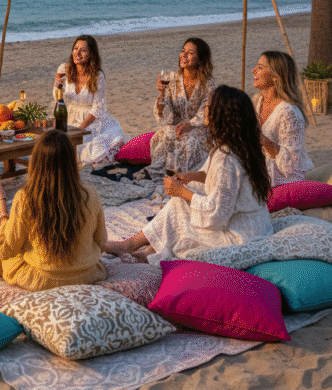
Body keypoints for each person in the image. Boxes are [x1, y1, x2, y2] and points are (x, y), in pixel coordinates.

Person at [106, 85, 273, 264]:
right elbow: (217, 179)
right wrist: (190, 177)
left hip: (240, 235)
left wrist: (182, 192)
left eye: (209, 106)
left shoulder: (226, 157)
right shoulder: (244, 146)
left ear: (221, 114)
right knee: (186, 201)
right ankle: (143, 247)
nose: (205, 110)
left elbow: (216, 213)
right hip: (257, 226)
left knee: (181, 204)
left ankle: (133, 246)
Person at [0, 130, 108, 291]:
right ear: (71, 162)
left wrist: (0, 202)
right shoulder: (91, 194)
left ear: (36, 162)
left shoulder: (25, 198)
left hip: (42, 279)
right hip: (86, 275)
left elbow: (7, 250)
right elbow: (101, 242)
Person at [145, 37, 216, 179]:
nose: (184, 55)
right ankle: (161, 172)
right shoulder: (173, 79)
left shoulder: (208, 83)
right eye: (183, 51)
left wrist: (190, 125)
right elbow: (166, 116)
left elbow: (206, 110)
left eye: (190, 53)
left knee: (188, 141)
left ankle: (183, 176)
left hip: (198, 129)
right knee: (164, 134)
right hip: (176, 126)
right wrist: (161, 94)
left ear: (200, 59)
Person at [53, 35, 124, 166]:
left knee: (87, 147)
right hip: (69, 116)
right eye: (75, 48)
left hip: (91, 119)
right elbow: (58, 99)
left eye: (83, 50)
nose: (77, 53)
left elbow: (98, 108)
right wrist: (58, 86)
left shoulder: (97, 76)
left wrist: (80, 129)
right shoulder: (64, 69)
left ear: (91, 54)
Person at [252, 51, 313, 186]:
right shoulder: (257, 101)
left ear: (275, 76)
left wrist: (261, 137)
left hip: (281, 177)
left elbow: (291, 165)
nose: (253, 71)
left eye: (260, 68)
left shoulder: (289, 112)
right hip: (257, 167)